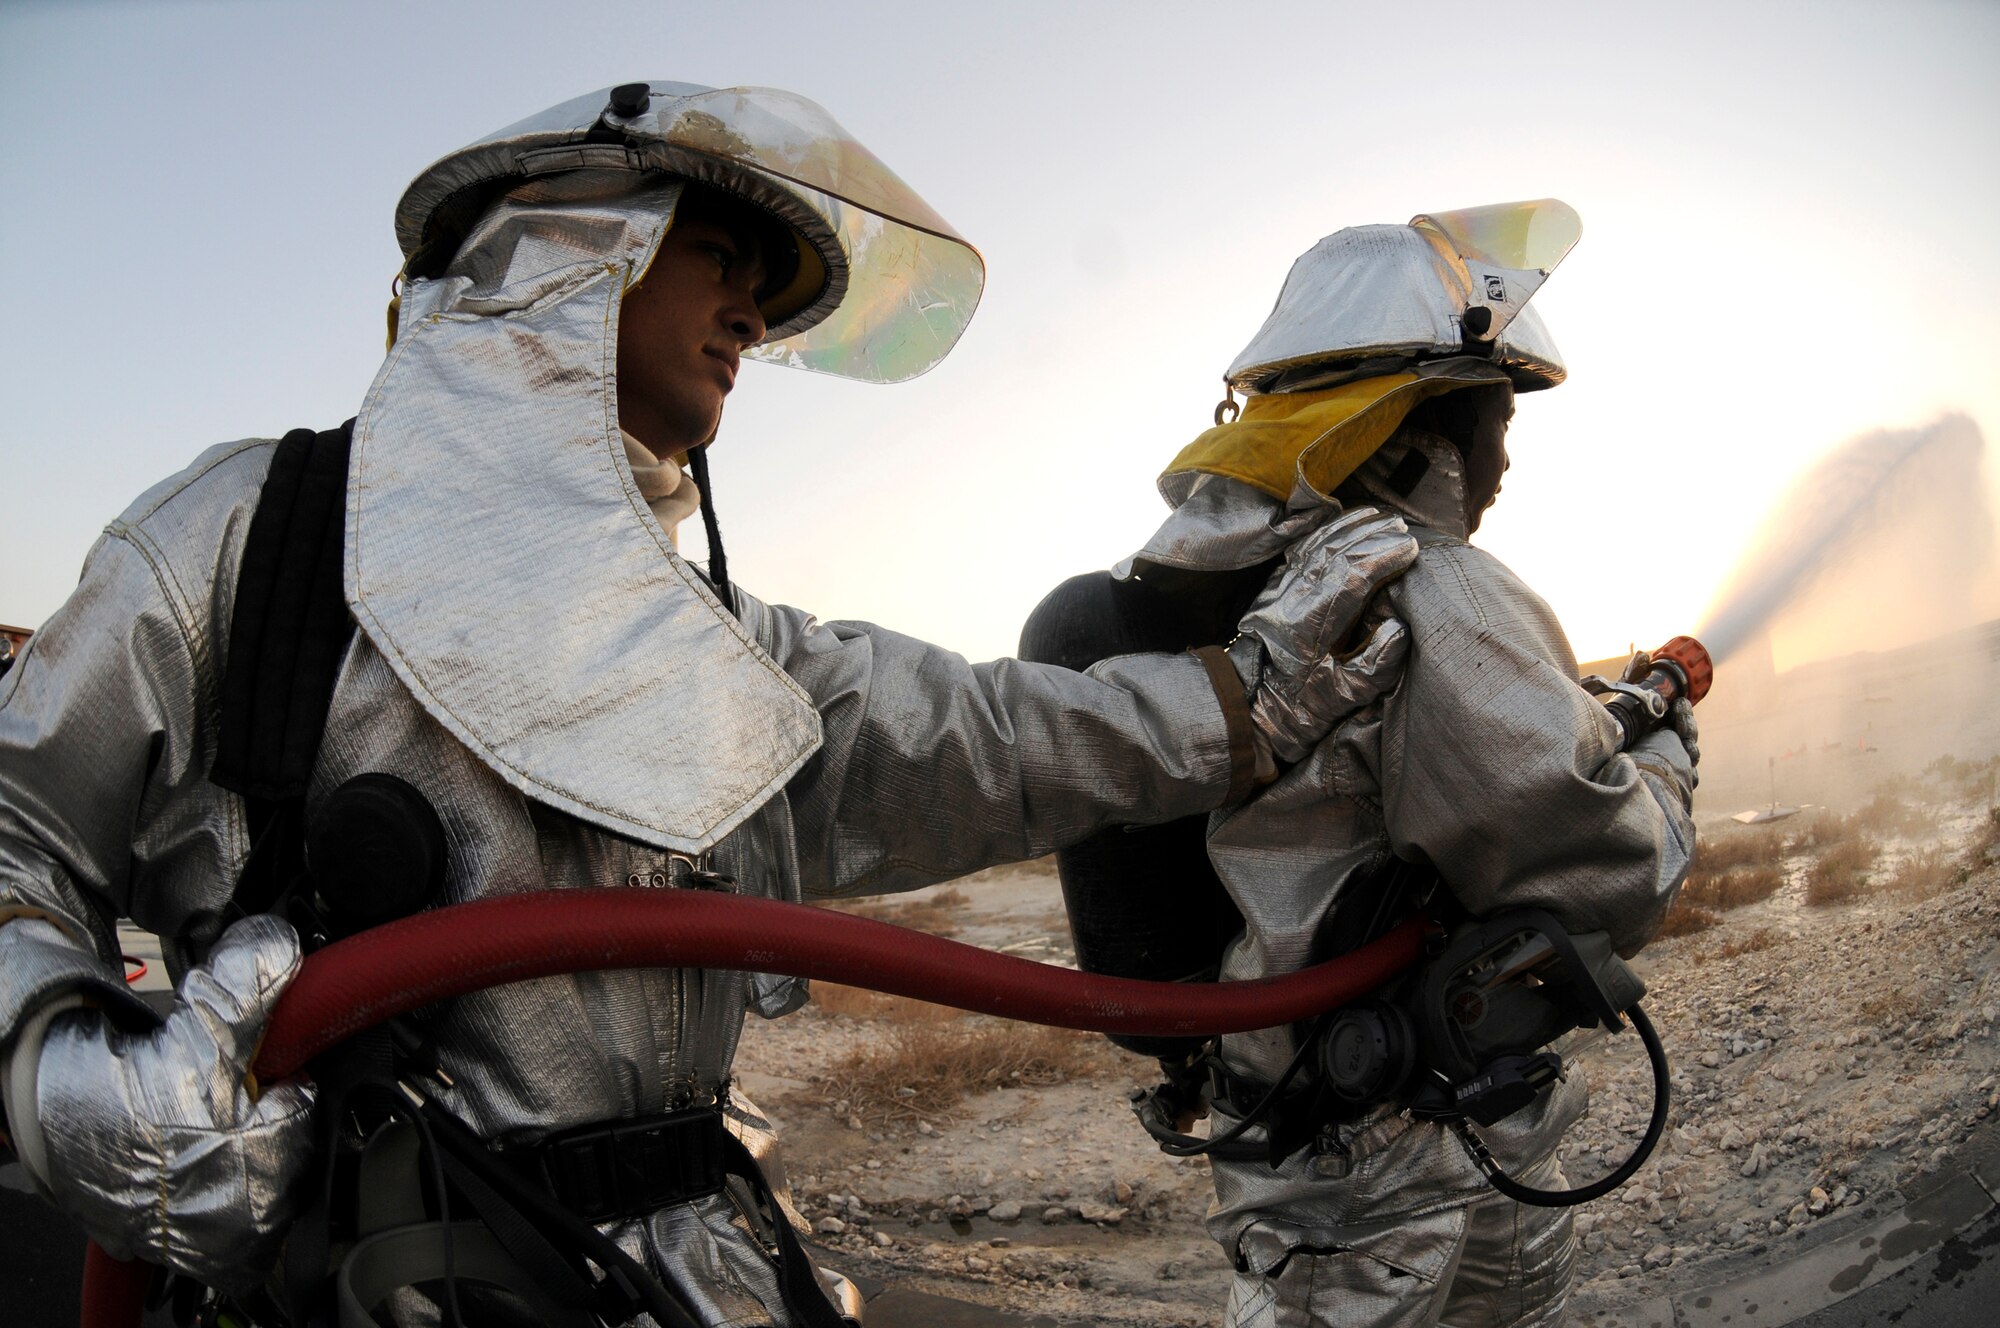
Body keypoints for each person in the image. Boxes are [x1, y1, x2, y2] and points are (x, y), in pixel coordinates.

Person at [0, 83, 1418, 1327]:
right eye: (721, 262)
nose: (751, 313)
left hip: (689, 1280)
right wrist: (67, 1078)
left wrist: (1246, 701)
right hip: (349, 1285)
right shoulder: (244, 544)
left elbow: (992, 739)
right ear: (565, 246)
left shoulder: (723, 655)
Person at [1031, 202, 1697, 1327]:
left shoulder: (1202, 589)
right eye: (1493, 427)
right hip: (1424, 1157)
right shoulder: (1432, 585)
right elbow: (1606, 868)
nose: (1503, 465)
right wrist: (1668, 752)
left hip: (1288, 1154)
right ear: (1411, 437)